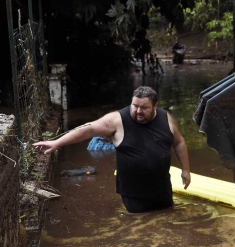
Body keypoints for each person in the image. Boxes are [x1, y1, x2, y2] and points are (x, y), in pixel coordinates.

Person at [33, 86, 191, 213]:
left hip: (162, 188)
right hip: (133, 193)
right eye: (135, 106)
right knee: (138, 227)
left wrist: (186, 170)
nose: (138, 111)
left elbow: (179, 142)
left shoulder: (165, 118)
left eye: (144, 108)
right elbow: (88, 130)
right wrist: (57, 143)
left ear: (155, 106)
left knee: (168, 220)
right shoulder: (117, 120)